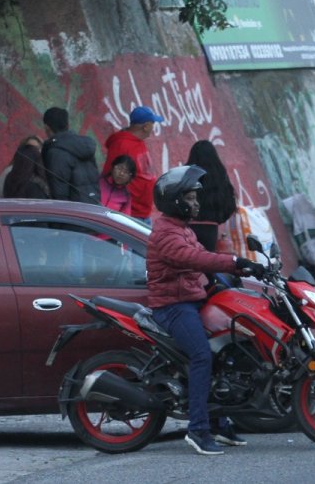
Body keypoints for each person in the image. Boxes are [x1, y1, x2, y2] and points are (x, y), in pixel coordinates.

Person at [146, 165, 263, 455]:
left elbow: (202, 260)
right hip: (173, 306)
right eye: (190, 197)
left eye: (195, 197)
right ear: (174, 200)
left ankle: (218, 422)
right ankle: (198, 429)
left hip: (191, 297)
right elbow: (194, 258)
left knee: (223, 352)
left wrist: (229, 276)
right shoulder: (166, 234)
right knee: (201, 356)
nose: (195, 203)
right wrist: (235, 262)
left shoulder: (180, 228)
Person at [103, 106, 164, 224]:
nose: (153, 127)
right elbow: (112, 177)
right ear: (146, 126)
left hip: (141, 213)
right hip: (130, 213)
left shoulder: (137, 142)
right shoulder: (122, 145)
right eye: (153, 123)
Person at [184, 140, 238, 252]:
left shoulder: (186, 175)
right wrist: (216, 219)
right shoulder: (220, 176)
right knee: (207, 265)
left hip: (187, 228)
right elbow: (230, 205)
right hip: (210, 230)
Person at [41, 107, 101, 204]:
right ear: (67, 125)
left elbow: (59, 194)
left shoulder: (56, 152)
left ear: (47, 128)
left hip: (74, 212)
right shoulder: (83, 145)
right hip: (93, 207)